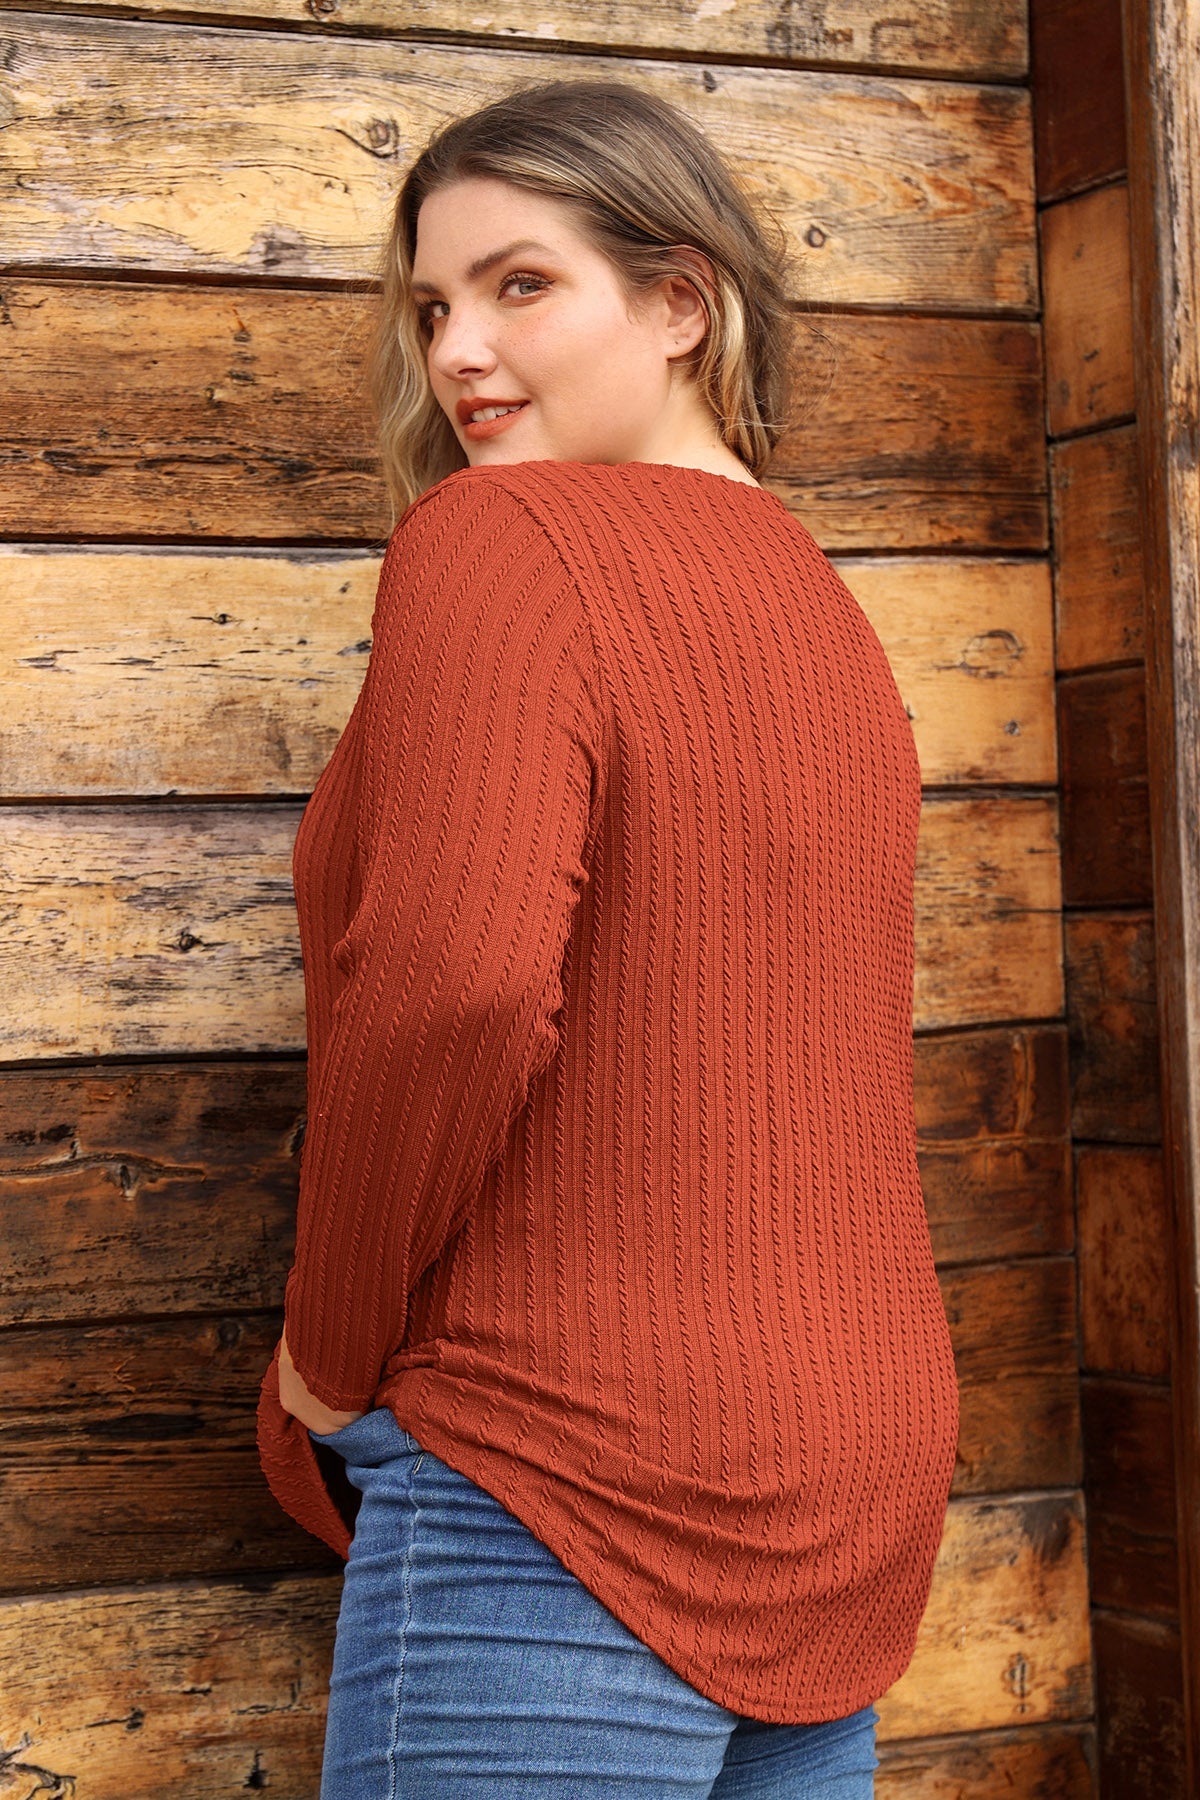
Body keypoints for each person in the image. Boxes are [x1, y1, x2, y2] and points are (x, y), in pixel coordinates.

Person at [255, 76, 960, 1799]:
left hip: (566, 1460)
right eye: (432, 306)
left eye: (520, 285)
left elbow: (458, 986)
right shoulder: (821, 603)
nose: (458, 353)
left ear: (679, 301)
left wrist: (326, 1356)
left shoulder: (496, 538)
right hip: (852, 1468)